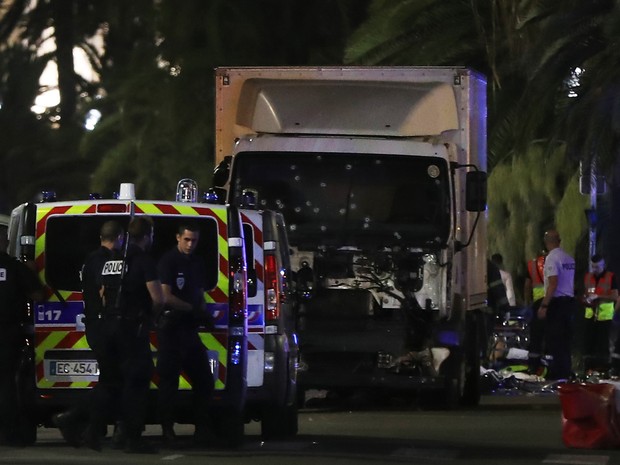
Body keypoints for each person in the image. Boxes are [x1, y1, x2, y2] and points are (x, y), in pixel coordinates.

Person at [86, 216, 163, 453]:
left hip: (108, 326)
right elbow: (158, 298)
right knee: (137, 381)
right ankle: (132, 438)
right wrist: (151, 316)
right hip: (131, 328)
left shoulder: (114, 260)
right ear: (148, 235)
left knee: (110, 382)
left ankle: (90, 431)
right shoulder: (144, 260)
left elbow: (101, 291)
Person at [53, 221, 125, 447]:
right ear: (120, 237)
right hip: (103, 326)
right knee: (110, 383)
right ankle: (71, 417)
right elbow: (105, 290)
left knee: (111, 381)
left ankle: (92, 429)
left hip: (96, 325)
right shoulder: (104, 260)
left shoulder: (91, 259)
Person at [156, 223, 214, 447]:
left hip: (189, 330)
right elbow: (165, 296)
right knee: (169, 383)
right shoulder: (168, 261)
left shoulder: (196, 262)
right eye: (187, 239)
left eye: (194, 241)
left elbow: (198, 291)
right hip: (171, 329)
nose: (190, 244)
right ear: (178, 238)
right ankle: (167, 430)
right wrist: (192, 309)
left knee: (204, 381)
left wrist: (203, 313)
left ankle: (202, 428)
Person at [0, 224, 42, 446]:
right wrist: (31, 272)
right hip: (7, 333)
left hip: (8, 332)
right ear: (5, 242)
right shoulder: (14, 267)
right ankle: (8, 434)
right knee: (6, 384)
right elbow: (37, 295)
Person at [536, 229, 577, 380]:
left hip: (557, 304)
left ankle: (558, 374)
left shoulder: (552, 259)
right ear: (559, 241)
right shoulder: (568, 258)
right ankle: (566, 372)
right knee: (566, 341)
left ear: (547, 242)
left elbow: (553, 283)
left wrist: (544, 305)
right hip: (569, 303)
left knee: (555, 340)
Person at [581, 254, 618, 372]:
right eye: (593, 267)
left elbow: (614, 296)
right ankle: (588, 368)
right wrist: (585, 299)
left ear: (603, 265)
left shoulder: (610, 277)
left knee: (603, 345)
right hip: (590, 315)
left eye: (597, 267)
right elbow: (585, 293)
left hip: (604, 317)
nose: (595, 270)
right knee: (588, 344)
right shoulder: (588, 277)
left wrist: (598, 296)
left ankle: (603, 369)